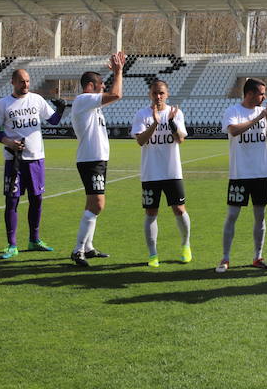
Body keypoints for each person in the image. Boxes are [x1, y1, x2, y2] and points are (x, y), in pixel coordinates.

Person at [0, 69, 64, 259]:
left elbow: (53, 121)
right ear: (13, 82)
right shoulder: (3, 104)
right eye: (22, 82)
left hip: (36, 159)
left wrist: (62, 108)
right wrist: (9, 142)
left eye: (28, 81)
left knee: (37, 199)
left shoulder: (37, 100)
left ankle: (34, 240)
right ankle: (12, 244)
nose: (26, 85)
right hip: (13, 161)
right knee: (12, 200)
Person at [216, 78, 267, 273]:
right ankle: (225, 258)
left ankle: (258, 256)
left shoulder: (263, 112)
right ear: (250, 94)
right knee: (232, 215)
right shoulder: (233, 111)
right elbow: (234, 130)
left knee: (260, 216)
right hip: (240, 173)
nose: (264, 97)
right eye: (261, 93)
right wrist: (258, 119)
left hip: (261, 172)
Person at [69, 51, 125, 267]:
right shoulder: (83, 99)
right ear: (90, 86)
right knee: (98, 204)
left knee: (92, 203)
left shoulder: (90, 105)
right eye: (100, 84)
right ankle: (77, 250)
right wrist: (119, 72)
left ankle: (88, 247)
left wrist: (117, 74)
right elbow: (117, 94)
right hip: (91, 160)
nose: (103, 87)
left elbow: (112, 95)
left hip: (96, 159)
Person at [131, 79, 189, 268]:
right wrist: (154, 124)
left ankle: (185, 245)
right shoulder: (142, 114)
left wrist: (170, 122)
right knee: (151, 213)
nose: (158, 96)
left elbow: (180, 140)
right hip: (151, 173)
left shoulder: (176, 113)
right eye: (155, 93)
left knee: (180, 210)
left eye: (161, 93)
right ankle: (153, 254)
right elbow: (140, 141)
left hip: (172, 172)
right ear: (150, 94)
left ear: (167, 94)